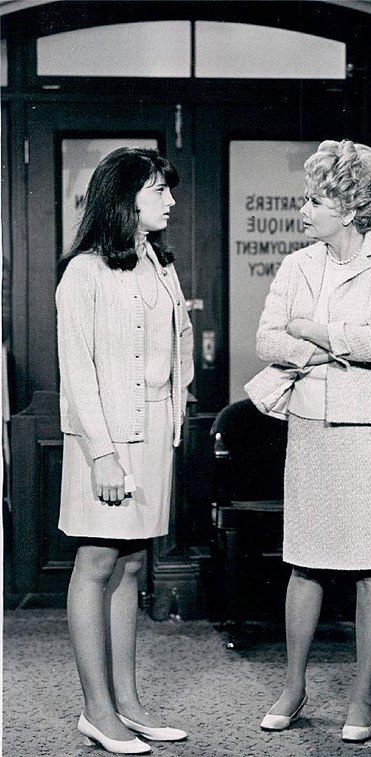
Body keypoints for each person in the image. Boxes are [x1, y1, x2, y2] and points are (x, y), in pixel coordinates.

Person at [246, 139, 371, 742]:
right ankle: (293, 687)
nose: (303, 210)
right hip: (311, 424)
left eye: (314, 199)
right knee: (306, 559)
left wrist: (311, 331)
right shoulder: (297, 264)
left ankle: (363, 694)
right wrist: (328, 345)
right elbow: (267, 341)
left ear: (349, 207)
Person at [56, 147, 194, 753]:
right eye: (160, 190)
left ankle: (129, 702)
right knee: (96, 563)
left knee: (134, 563)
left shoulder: (159, 266)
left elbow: (176, 349)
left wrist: (174, 420)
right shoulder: (84, 271)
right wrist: (103, 454)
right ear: (127, 197)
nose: (169, 200)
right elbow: (77, 372)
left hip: (153, 436)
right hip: (104, 441)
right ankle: (97, 710)